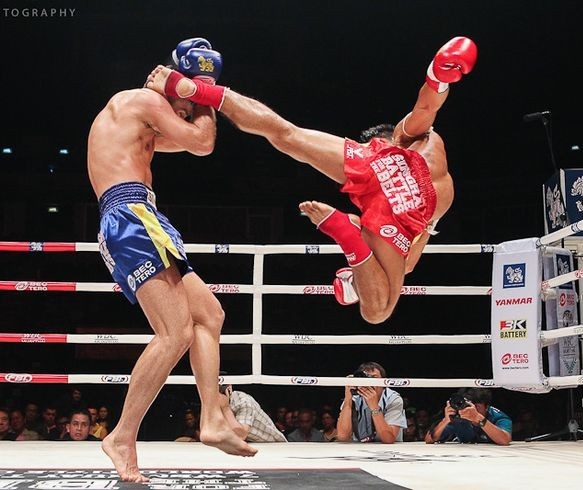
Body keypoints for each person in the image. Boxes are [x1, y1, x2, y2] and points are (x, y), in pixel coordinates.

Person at [146, 36, 478, 324]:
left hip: (380, 171)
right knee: (376, 311)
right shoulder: (428, 175)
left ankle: (201, 90)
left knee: (285, 134)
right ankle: (347, 237)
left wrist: (438, 76)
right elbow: (405, 266)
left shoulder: (419, 142)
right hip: (407, 207)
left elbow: (426, 106)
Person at [87, 36, 257, 482]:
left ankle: (212, 418)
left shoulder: (138, 118)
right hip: (130, 216)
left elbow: (194, 141)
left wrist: (193, 94)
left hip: (143, 217)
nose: (183, 113)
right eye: (181, 103)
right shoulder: (141, 100)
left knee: (210, 315)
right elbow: (203, 143)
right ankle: (122, 435)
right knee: (174, 332)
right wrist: (200, 89)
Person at [337, 362, 407, 443]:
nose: (369, 383)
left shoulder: (393, 399)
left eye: (374, 378)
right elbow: (342, 437)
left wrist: (374, 407)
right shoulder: (354, 398)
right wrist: (348, 397)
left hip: (389, 451)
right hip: (360, 449)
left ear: (384, 382)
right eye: (366, 378)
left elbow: (389, 439)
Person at [424, 388, 512, 445]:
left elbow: (505, 440)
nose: (472, 410)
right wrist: (446, 420)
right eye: (470, 406)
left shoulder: (499, 417)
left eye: (477, 407)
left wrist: (478, 418)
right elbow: (429, 439)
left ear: (487, 407)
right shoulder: (459, 416)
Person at [219, 384, 287, 443]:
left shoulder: (243, 401)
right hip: (246, 444)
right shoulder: (210, 404)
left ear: (229, 388)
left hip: (273, 445)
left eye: (219, 390)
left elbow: (240, 435)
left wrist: (225, 408)